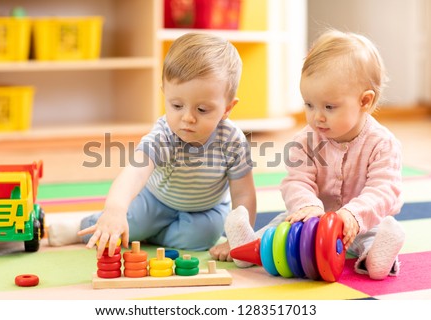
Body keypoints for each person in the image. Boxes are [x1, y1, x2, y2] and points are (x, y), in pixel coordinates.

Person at [48, 32, 256, 260]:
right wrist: (115, 210)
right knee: (125, 224)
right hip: (156, 200)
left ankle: (150, 234)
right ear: (165, 94)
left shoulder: (233, 141)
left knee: (203, 238)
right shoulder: (164, 134)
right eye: (176, 105)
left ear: (227, 108)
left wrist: (239, 240)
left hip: (206, 210)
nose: (187, 118)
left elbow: (244, 193)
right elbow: (134, 174)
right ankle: (81, 227)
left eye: (202, 110)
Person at [223, 29, 405, 280]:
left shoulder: (382, 144)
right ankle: (249, 245)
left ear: (364, 101)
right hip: (312, 221)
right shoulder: (306, 140)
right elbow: (296, 181)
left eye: (329, 107)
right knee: (281, 228)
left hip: (362, 223)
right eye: (309, 104)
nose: (317, 116)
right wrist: (307, 206)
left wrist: (353, 215)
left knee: (375, 234)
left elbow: (384, 190)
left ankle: (377, 259)